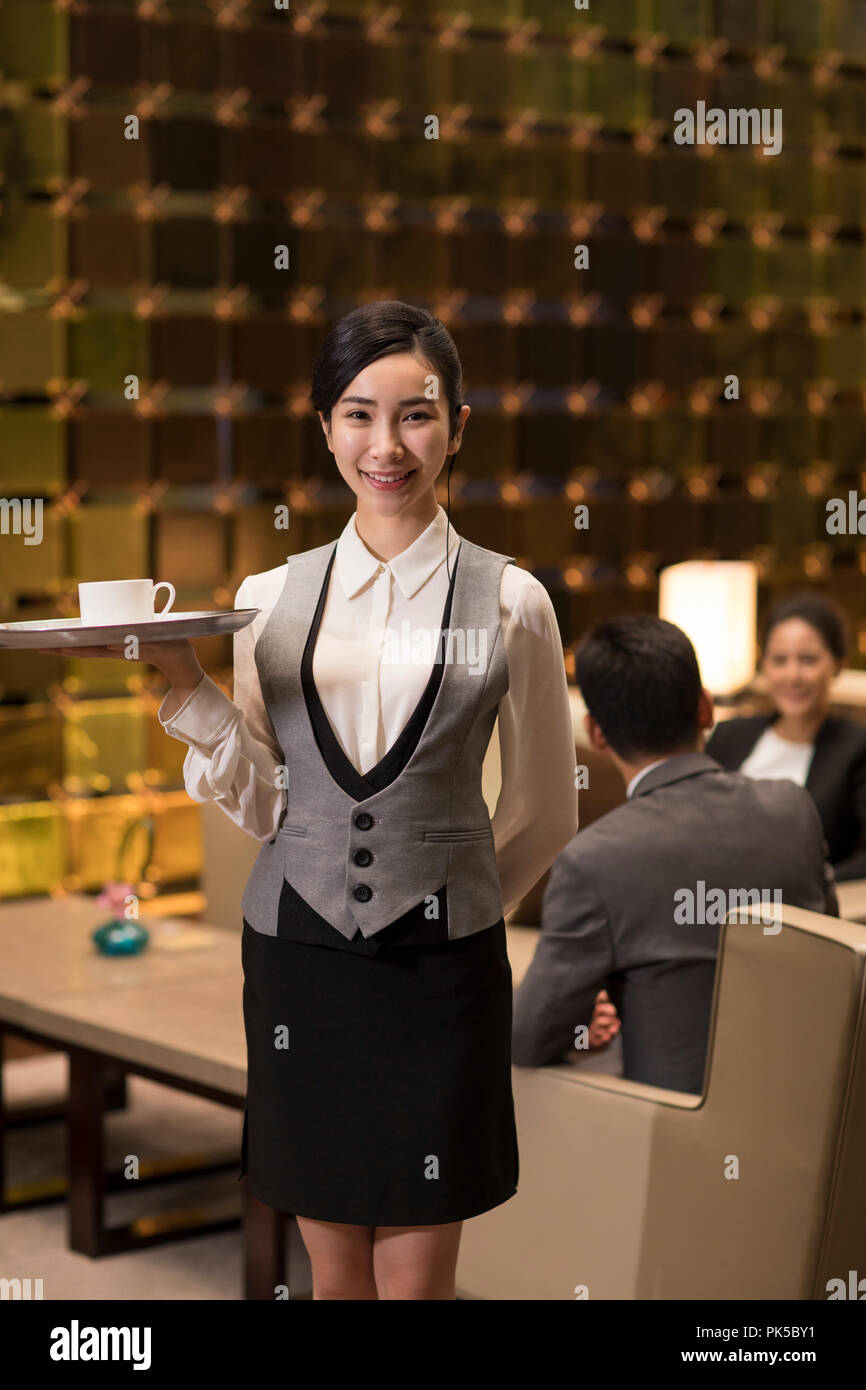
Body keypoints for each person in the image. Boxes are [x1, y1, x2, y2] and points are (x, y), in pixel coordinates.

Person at [40, 302, 577, 1299]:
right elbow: (260, 802)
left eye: (414, 415)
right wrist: (184, 689)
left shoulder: (513, 602)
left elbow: (547, 809)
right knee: (332, 1276)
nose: (386, 445)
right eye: (357, 414)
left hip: (438, 977)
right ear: (324, 426)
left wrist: (450, 909)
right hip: (299, 967)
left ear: (457, 425)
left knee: (414, 1282)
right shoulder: (269, 595)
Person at [512, 616, 838, 1095]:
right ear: (706, 708)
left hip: (673, 1132)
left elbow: (528, 1039)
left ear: (596, 734)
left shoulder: (593, 860)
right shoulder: (794, 808)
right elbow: (826, 945)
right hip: (817, 1100)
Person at [706, 592, 866, 881]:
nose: (792, 675)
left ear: (838, 664)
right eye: (779, 660)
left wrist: (816, 886)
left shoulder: (856, 748)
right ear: (764, 664)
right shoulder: (730, 735)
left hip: (797, 913)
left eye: (808, 660)